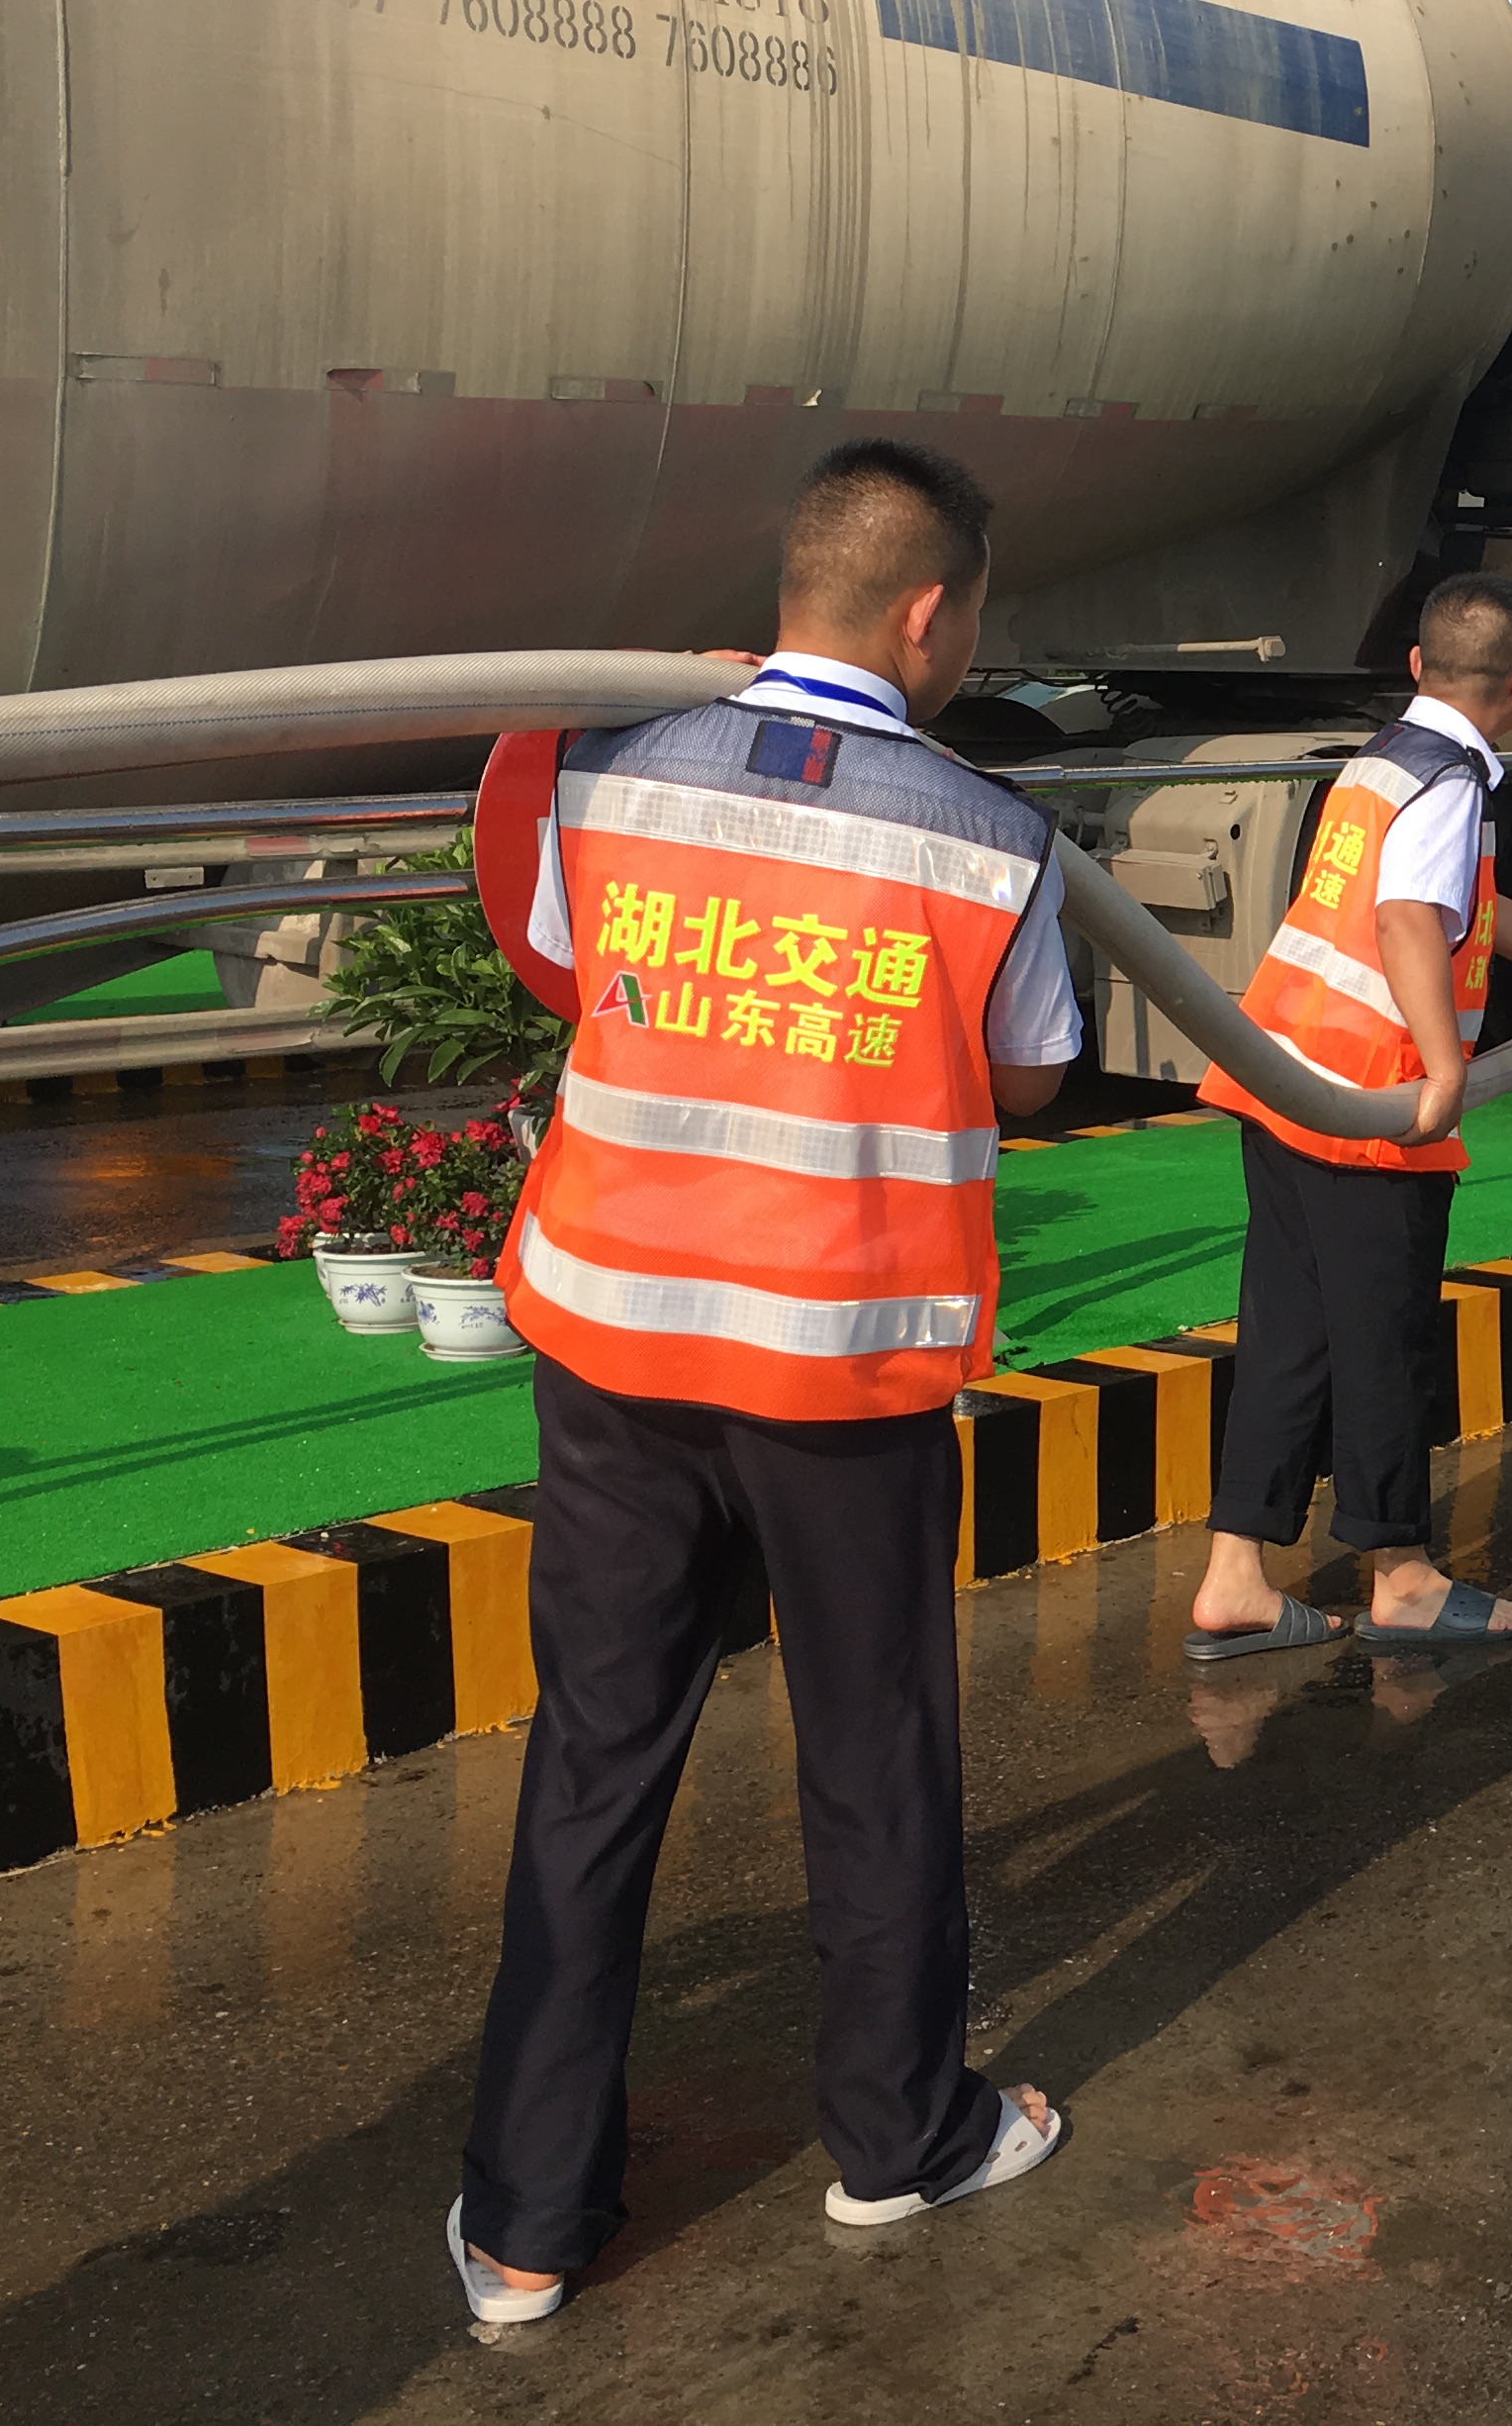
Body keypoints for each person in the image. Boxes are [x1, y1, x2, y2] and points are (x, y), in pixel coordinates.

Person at [449, 439, 1076, 2325]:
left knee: (596, 1751)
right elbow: (1030, 1071)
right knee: (872, 1751)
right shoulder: (988, 833)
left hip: (618, 1339)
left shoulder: (609, 769)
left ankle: (526, 2220)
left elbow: (567, 967)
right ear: (926, 610)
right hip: (840, 1366)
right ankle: (899, 2137)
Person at [1185, 574, 1512, 1655]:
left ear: (1417, 666)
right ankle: (1403, 1578)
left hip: (1287, 1084)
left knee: (1289, 1338)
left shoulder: (1381, 761)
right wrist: (1446, 1066)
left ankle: (1235, 1575)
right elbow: (1412, 915)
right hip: (1373, 1106)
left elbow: (1474, 905)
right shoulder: (1451, 781)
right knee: (1385, 1347)